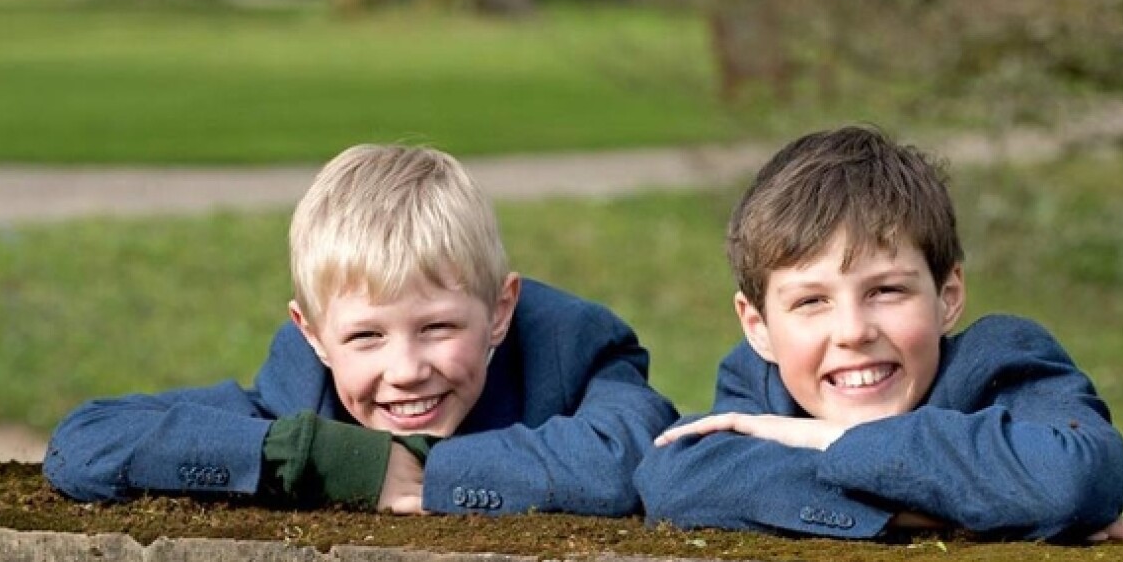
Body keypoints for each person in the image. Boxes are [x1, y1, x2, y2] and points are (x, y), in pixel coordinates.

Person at [44, 144, 678, 515]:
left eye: (437, 327)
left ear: (499, 310)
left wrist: (431, 473)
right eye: (366, 337)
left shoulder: (572, 348)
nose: (406, 370)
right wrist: (321, 460)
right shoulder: (300, 392)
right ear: (313, 335)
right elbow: (84, 444)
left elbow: (634, 456)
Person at [636, 126, 1123, 542]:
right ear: (759, 327)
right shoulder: (758, 385)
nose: (852, 331)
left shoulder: (1002, 360)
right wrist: (957, 507)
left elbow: (1073, 478)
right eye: (811, 301)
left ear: (947, 296)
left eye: (887, 291)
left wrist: (829, 439)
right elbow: (675, 479)